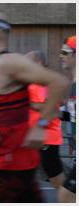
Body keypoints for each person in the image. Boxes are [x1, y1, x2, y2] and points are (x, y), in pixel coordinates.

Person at [0, 12, 70, 202]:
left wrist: (40, 125)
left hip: (11, 170)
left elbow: (59, 82)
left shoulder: (8, 62)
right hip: (2, 167)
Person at [25, 50, 65, 189]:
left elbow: (47, 106)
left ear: (37, 62)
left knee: (55, 176)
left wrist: (24, 101)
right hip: (39, 136)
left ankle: (70, 199)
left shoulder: (41, 81)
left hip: (45, 137)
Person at [58, 35, 76, 203]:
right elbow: (71, 115)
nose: (61, 56)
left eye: (65, 52)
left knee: (66, 196)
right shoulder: (73, 84)